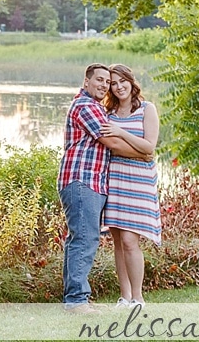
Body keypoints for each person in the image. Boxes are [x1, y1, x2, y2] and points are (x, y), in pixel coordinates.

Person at [57, 63, 149, 311]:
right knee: (85, 239)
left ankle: (73, 299)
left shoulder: (97, 107)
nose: (104, 85)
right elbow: (113, 144)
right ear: (86, 82)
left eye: (107, 82)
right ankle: (76, 300)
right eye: (99, 80)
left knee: (79, 239)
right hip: (82, 180)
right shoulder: (86, 106)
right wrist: (144, 155)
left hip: (91, 182)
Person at [100, 63, 161, 308]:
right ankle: (124, 297)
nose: (118, 86)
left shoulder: (147, 109)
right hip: (115, 180)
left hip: (139, 183)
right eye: (113, 84)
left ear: (130, 81)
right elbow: (113, 147)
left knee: (129, 240)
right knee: (117, 241)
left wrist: (121, 132)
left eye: (121, 81)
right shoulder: (108, 114)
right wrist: (131, 145)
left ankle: (138, 297)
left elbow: (149, 147)